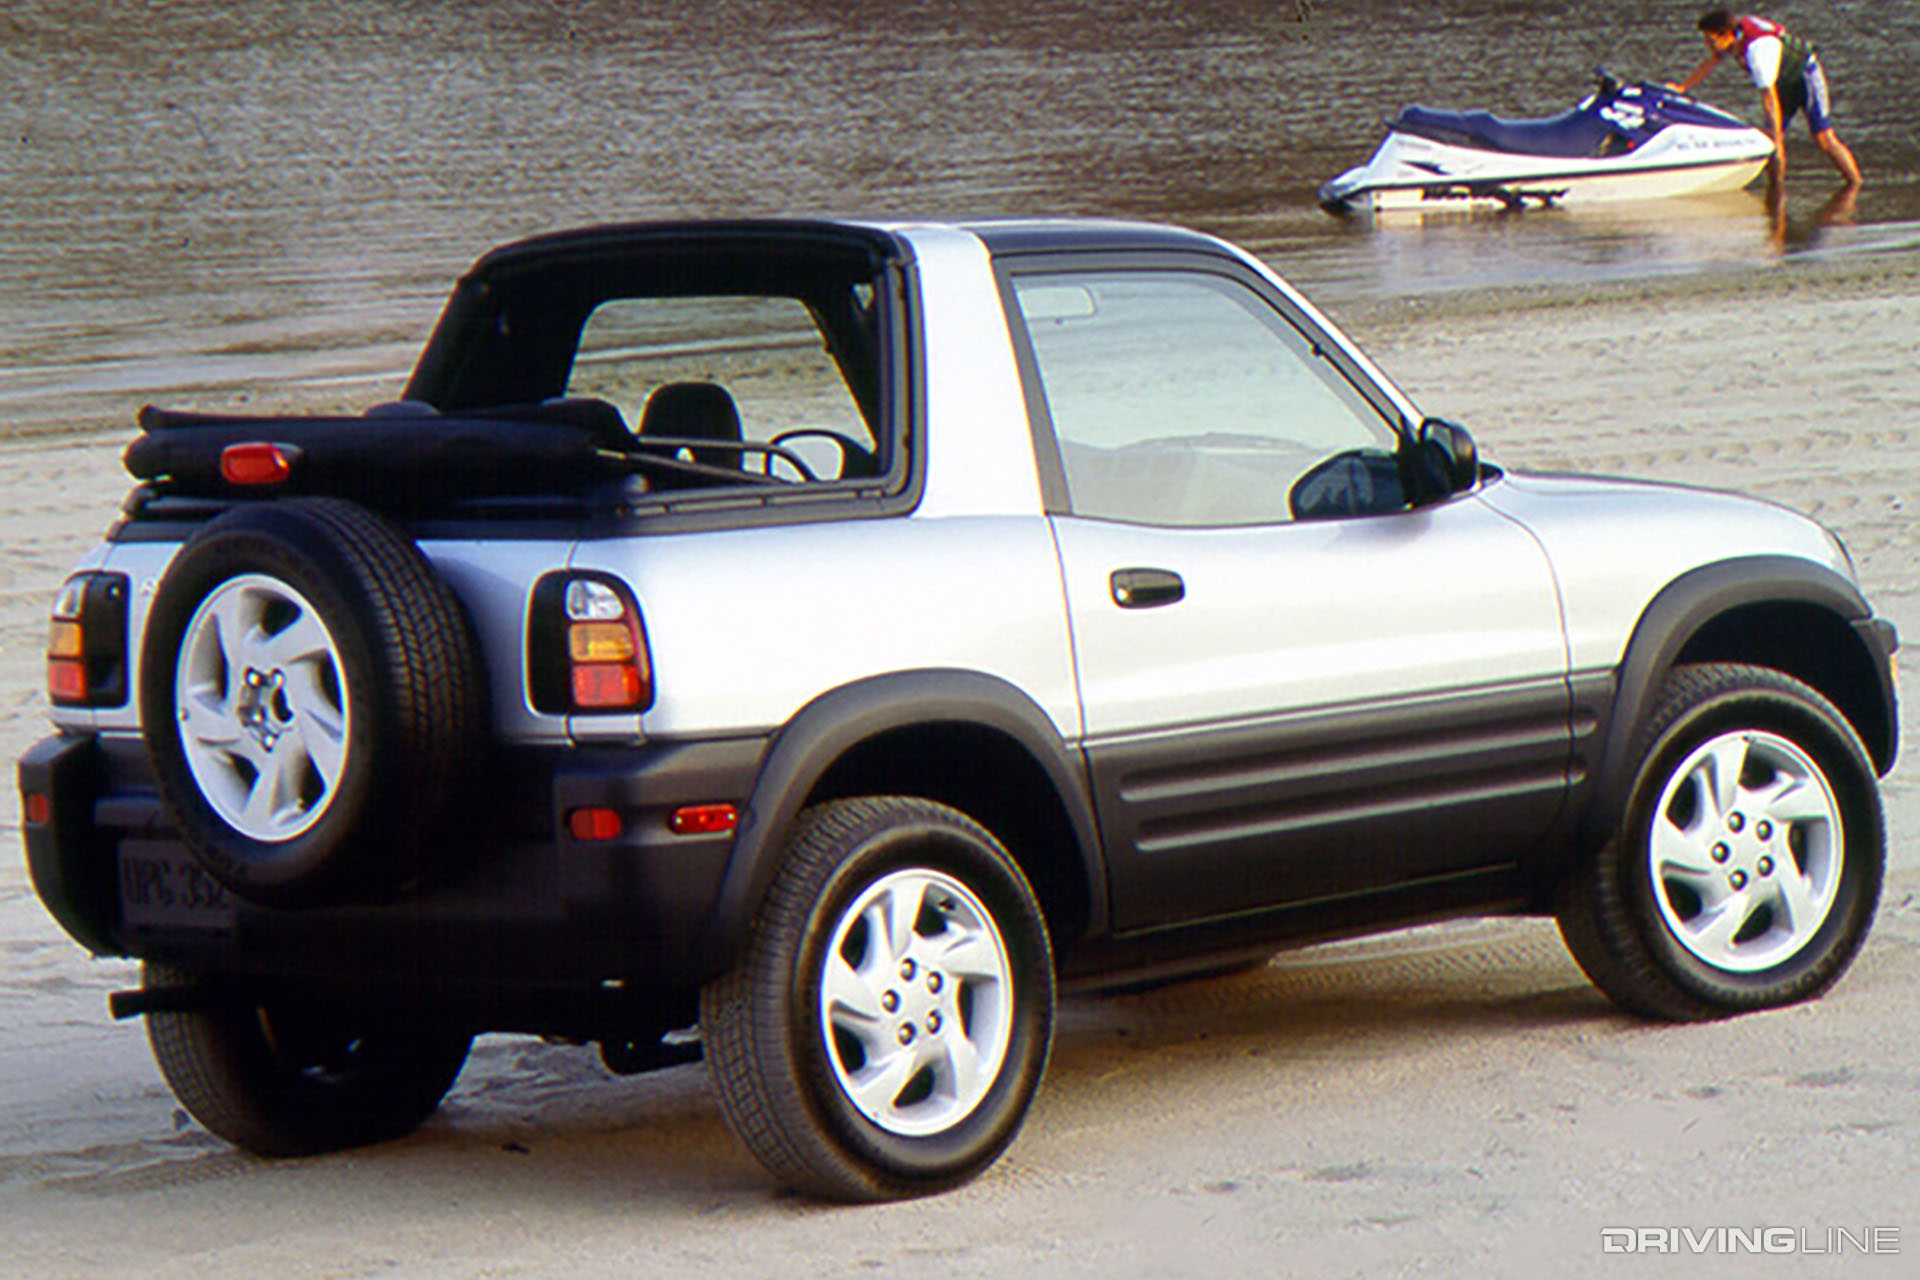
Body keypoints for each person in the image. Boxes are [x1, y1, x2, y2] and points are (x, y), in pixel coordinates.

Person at [1669, 9, 1862, 189]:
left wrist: (1777, 137)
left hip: (1804, 76)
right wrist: (1682, 87)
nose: (1707, 44)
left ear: (1726, 35)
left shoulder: (1758, 51)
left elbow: (1768, 99)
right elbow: (1711, 61)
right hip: (1781, 83)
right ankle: (1776, 192)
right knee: (1771, 142)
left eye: (1710, 39)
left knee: (1823, 138)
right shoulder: (1734, 36)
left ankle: (1855, 184)